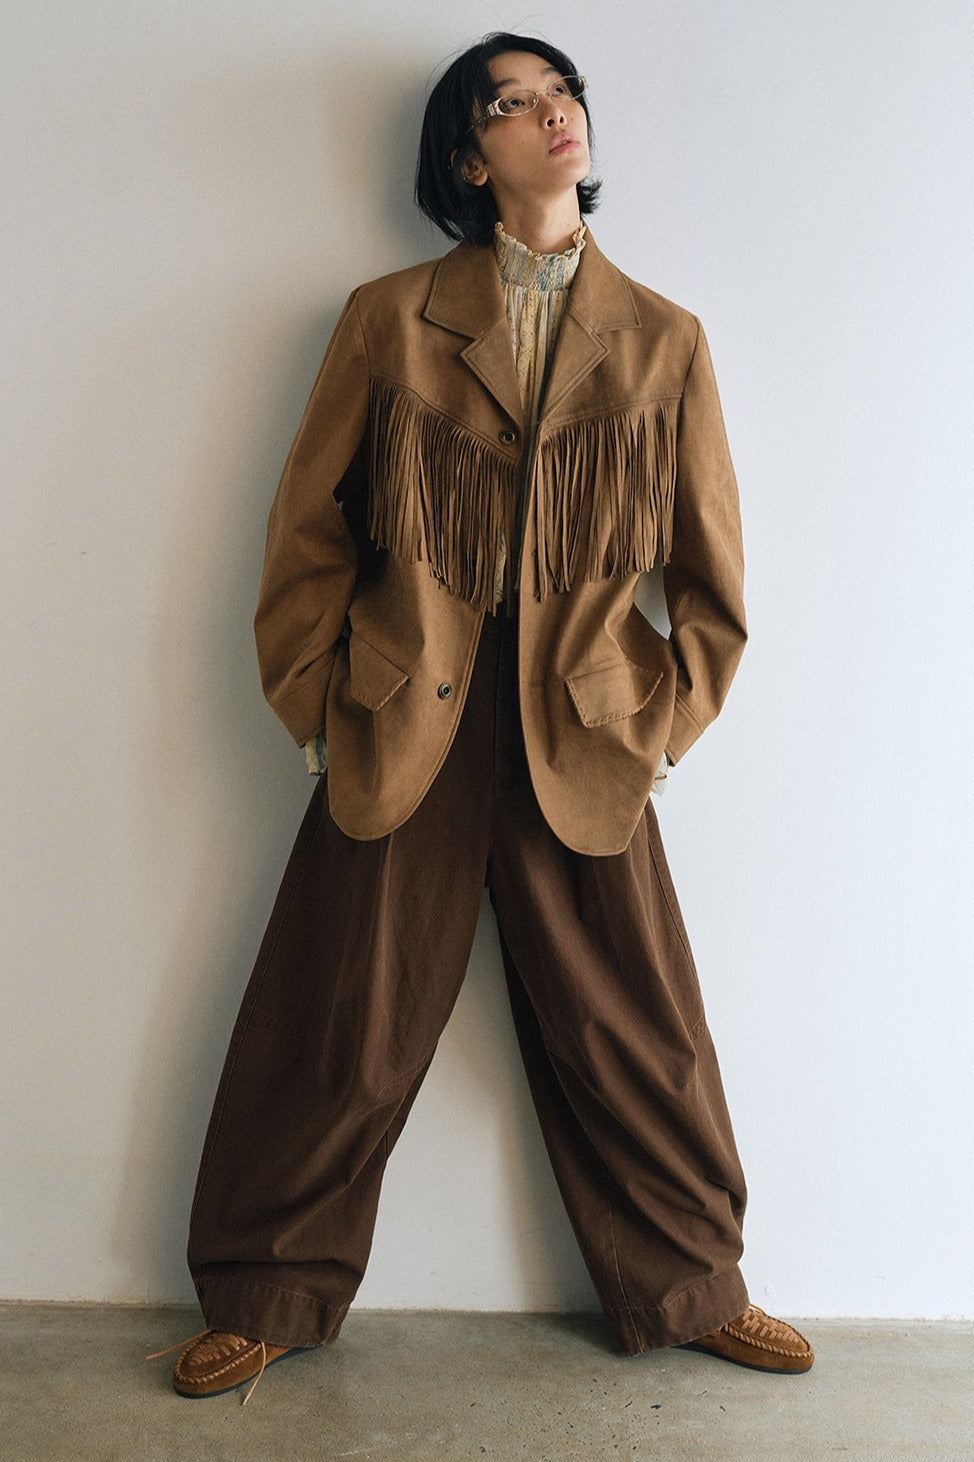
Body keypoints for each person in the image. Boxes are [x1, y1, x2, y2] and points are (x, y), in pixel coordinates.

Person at [147, 32, 814, 1403]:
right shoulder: (388, 319)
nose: (551, 112)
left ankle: (693, 1284)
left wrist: (660, 729)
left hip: (586, 728)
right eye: (514, 101)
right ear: (467, 156)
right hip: (409, 715)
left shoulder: (665, 340)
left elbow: (711, 582)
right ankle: (266, 1291)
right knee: (346, 1020)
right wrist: (321, 710)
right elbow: (305, 538)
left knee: (634, 1029)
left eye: (561, 91)